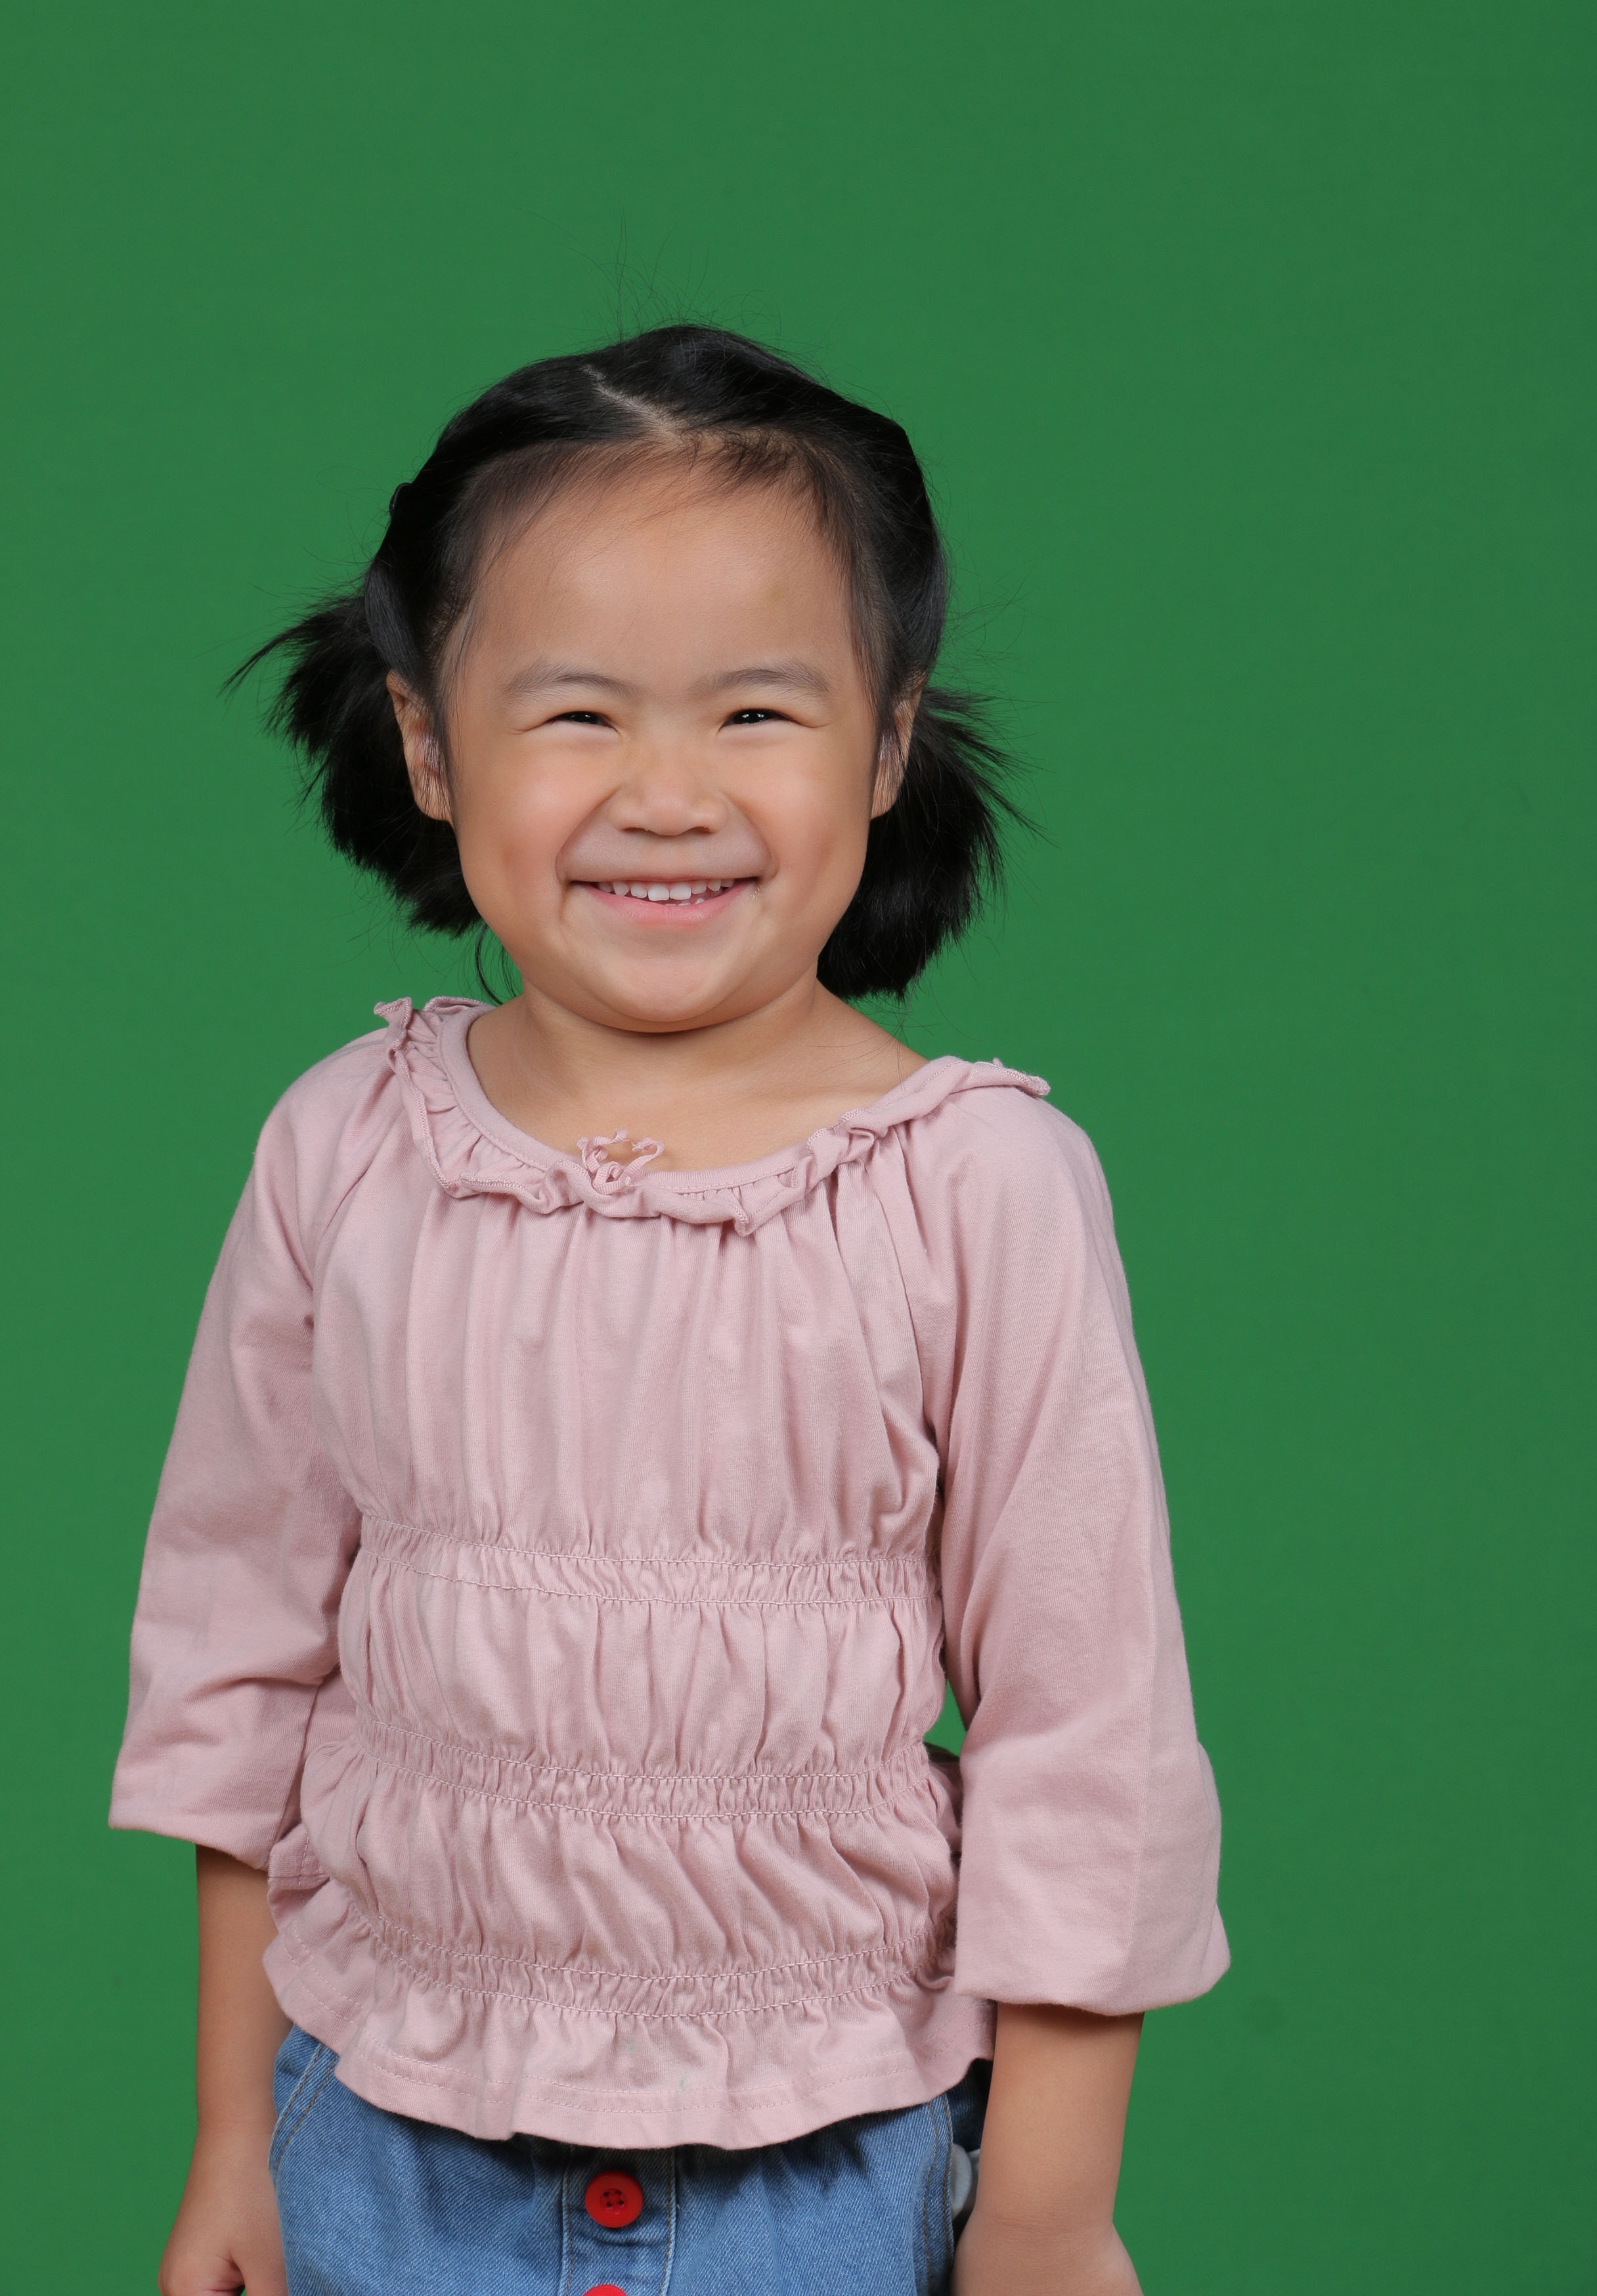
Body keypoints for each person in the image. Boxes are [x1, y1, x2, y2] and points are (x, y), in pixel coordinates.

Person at [112, 324, 1228, 2296]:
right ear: (429, 744)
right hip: (380, 2149)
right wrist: (228, 2140)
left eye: (757, 712)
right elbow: (240, 1671)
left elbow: (1087, 1735)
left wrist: (1049, 2217)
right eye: (577, 714)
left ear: (884, 745)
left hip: (828, 2167)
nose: (666, 794)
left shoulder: (978, 1185)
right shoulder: (347, 1147)